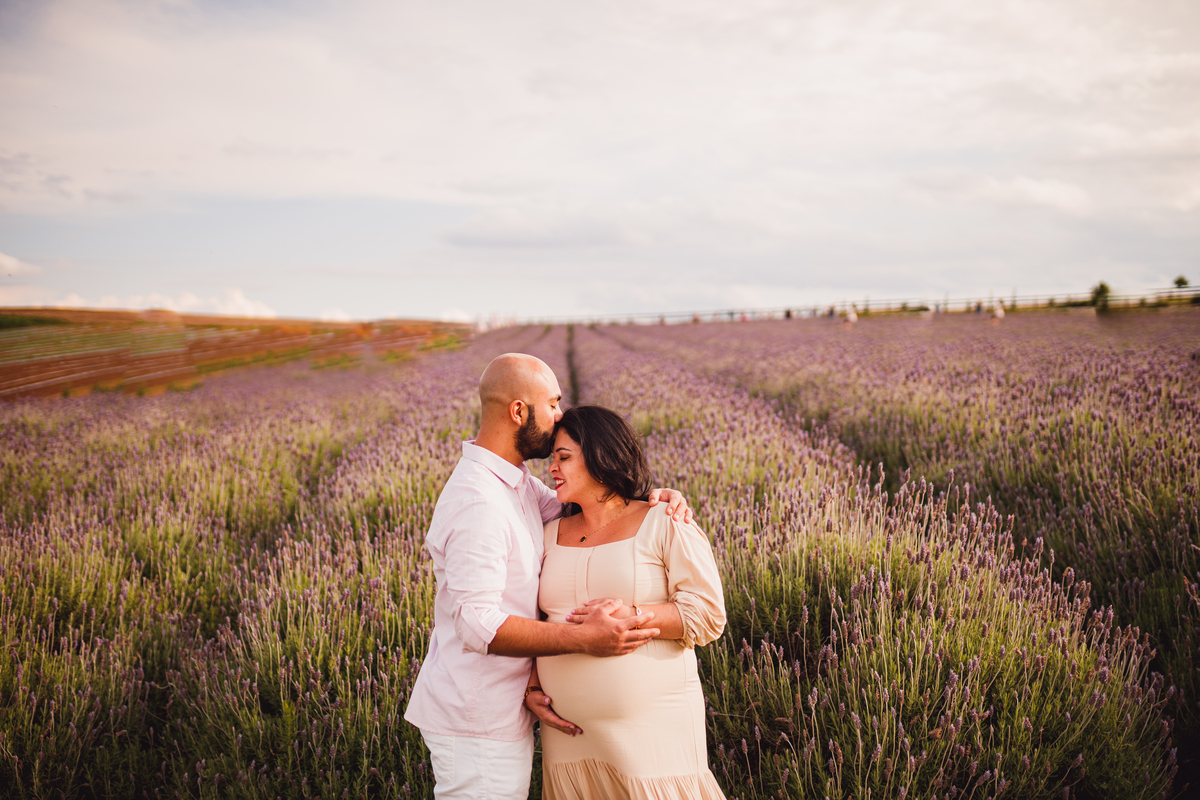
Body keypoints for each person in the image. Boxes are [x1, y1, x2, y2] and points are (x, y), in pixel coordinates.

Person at [403, 353, 694, 799]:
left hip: (504, 715)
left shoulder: (516, 484)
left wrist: (651, 500)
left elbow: (591, 505)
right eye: (553, 403)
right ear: (519, 411)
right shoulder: (479, 501)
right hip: (477, 722)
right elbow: (477, 624)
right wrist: (583, 639)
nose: (560, 415)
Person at [526, 405, 727, 799]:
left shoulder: (664, 520)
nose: (552, 468)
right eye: (553, 458)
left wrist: (630, 616)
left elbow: (707, 614)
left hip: (650, 732)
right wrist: (532, 685)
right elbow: (532, 619)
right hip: (568, 739)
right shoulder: (548, 533)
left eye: (564, 457)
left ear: (600, 456)